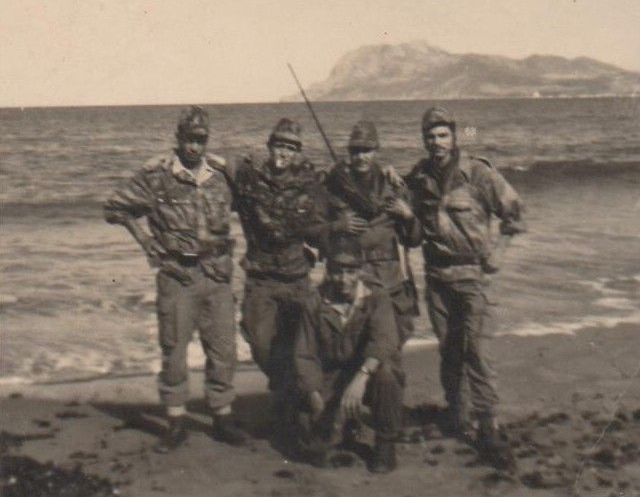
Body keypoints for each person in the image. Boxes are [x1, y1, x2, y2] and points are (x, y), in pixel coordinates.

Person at [103, 106, 246, 453]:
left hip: (217, 274)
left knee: (224, 349)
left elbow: (255, 202)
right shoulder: (157, 175)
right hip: (177, 275)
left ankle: (222, 417)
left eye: (201, 140)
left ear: (207, 140)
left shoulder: (222, 175)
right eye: (189, 139)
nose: (195, 146)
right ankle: (176, 421)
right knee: (174, 350)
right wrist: (145, 240)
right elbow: (115, 208)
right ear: (178, 138)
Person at [394, 106, 525, 469]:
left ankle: (489, 425)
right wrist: (402, 207)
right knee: (450, 352)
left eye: (442, 135)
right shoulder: (419, 178)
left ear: (453, 137)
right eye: (430, 136)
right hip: (437, 279)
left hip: (473, 278)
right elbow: (411, 230)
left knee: (477, 353)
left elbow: (515, 212)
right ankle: (458, 414)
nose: (436, 142)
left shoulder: (478, 173)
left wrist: (499, 251)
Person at [234, 118, 325, 431]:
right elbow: (216, 170)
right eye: (279, 146)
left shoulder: (311, 183)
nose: (283, 153)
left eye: (290, 148)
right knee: (261, 344)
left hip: (297, 278)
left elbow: (322, 224)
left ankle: (289, 402)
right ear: (269, 147)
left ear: (298, 153)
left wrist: (322, 245)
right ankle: (285, 391)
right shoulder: (249, 178)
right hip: (261, 278)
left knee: (300, 346)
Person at [294, 261, 404, 473]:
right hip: (332, 374)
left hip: (366, 371)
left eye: (351, 272)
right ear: (328, 272)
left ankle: (385, 443)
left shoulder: (376, 296)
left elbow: (384, 341)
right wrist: (313, 393)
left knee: (387, 374)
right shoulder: (315, 301)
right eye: (337, 272)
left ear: (362, 270)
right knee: (315, 448)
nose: (344, 279)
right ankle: (346, 426)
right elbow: (305, 354)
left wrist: (361, 377)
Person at [323, 120, 419, 346]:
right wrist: (338, 225)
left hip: (390, 282)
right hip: (353, 285)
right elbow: (317, 235)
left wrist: (409, 217)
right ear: (349, 153)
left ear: (376, 151)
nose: (361, 157)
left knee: (390, 349)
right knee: (354, 349)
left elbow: (414, 239)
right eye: (355, 151)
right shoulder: (334, 188)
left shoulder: (393, 187)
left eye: (366, 150)